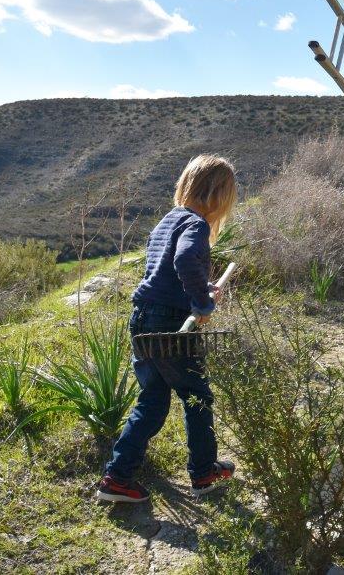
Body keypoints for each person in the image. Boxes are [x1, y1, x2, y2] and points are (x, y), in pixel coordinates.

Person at [96, 155, 238, 503]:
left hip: (142, 317)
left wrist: (202, 289)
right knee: (197, 397)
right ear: (219, 196)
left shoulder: (167, 220)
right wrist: (202, 304)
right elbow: (185, 260)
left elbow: (164, 276)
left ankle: (117, 478)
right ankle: (204, 472)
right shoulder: (197, 225)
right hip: (170, 325)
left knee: (153, 400)